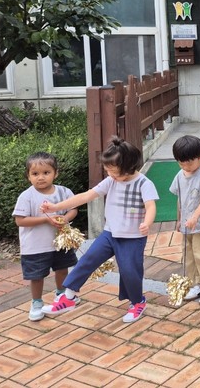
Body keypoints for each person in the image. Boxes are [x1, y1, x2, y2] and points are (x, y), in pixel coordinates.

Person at [40, 137, 158, 324]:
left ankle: (137, 302)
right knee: (87, 260)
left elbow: (150, 206)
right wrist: (55, 207)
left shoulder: (144, 183)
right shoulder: (111, 181)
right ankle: (68, 297)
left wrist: (147, 223)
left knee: (130, 271)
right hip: (109, 234)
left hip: (133, 237)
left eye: (113, 171)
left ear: (128, 166)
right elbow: (86, 196)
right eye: (108, 170)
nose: (109, 174)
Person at [13, 152, 79, 322]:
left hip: (60, 243)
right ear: (28, 176)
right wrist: (45, 219)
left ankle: (62, 296)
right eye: (35, 174)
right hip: (35, 246)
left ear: (55, 173)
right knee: (36, 276)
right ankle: (36, 302)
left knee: (62, 269)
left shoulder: (64, 192)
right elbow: (20, 220)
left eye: (46, 172)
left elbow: (73, 209)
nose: (40, 177)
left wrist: (65, 218)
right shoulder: (26, 196)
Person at [170, 135, 200, 306]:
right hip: (187, 225)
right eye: (181, 163)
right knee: (189, 254)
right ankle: (195, 284)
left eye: (190, 163)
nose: (186, 167)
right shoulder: (180, 175)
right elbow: (180, 198)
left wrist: (195, 216)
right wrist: (179, 218)